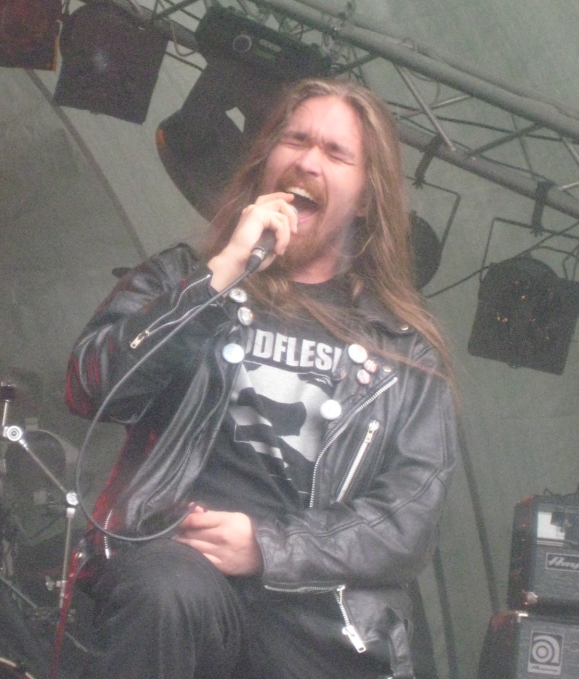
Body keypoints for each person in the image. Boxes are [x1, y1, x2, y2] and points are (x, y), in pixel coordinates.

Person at [65, 77, 458, 679]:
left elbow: (408, 522)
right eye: (295, 140)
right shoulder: (183, 279)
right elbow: (90, 388)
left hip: (320, 613)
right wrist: (217, 277)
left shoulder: (405, 349)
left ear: (365, 199)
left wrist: (267, 547)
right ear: (265, 162)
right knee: (167, 593)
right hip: (181, 570)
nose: (307, 161)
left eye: (335, 153)